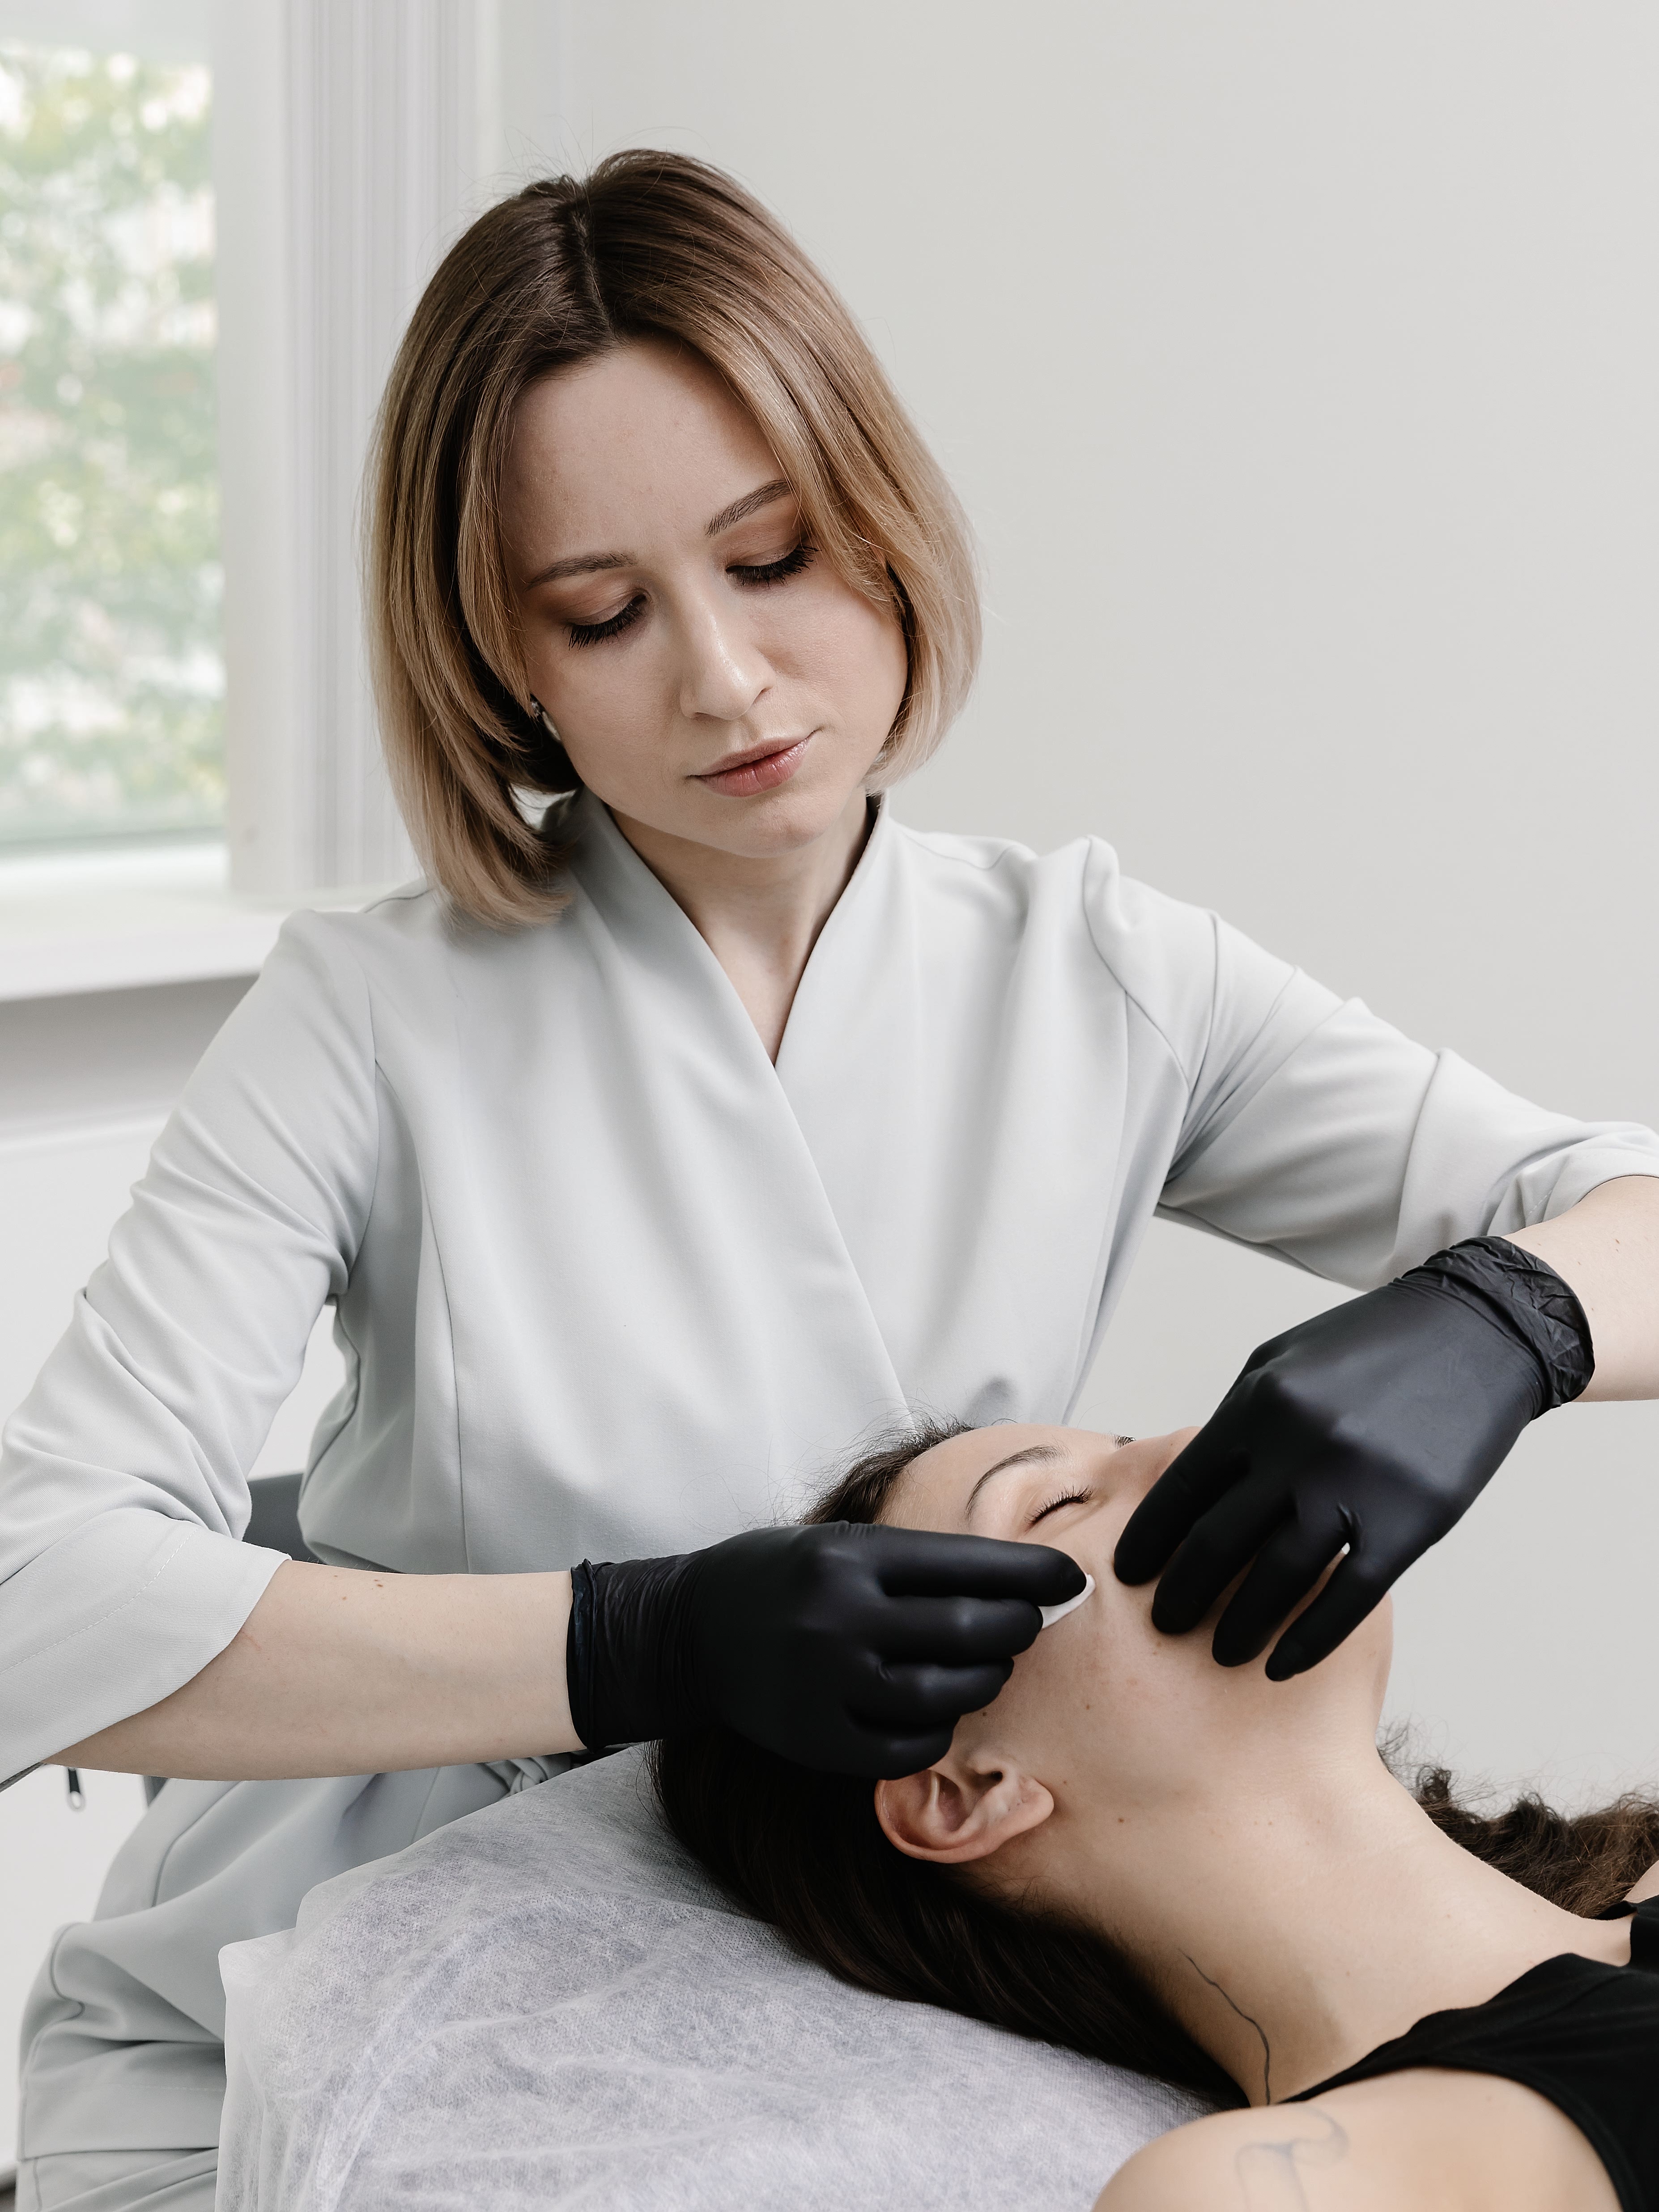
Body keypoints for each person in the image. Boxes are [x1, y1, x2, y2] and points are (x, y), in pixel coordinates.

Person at [2, 149, 1658, 2209]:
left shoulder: (1091, 973)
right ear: (505, 664)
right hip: (322, 2014)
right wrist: (639, 1645)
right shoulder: (373, 1018)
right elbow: (34, 1596)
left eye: (771, 556)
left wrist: (1506, 1317)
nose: (722, 678)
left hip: (842, 2005)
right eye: (602, 613)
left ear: (881, 521)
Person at [653, 1420, 1659, 2212]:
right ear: (964, 1791)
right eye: (1058, 1503)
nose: (1199, 1443)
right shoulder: (1271, 2191)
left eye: (1137, 1438)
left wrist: (1522, 1319)